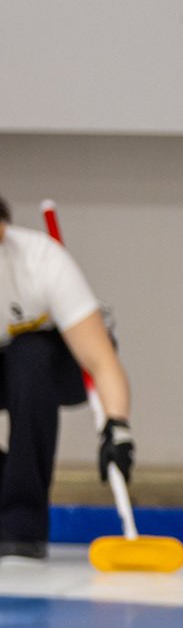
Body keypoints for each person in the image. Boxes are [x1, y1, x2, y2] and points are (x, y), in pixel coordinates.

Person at [0, 195, 136, 561]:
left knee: (29, 356)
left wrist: (117, 427)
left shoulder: (41, 261)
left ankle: (21, 529)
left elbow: (101, 361)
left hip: (57, 367)